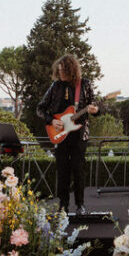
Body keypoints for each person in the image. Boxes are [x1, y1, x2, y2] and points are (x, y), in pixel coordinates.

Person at [36, 53, 98, 215]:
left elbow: (96, 108)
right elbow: (40, 109)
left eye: (63, 70)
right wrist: (51, 121)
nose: (60, 73)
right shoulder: (55, 86)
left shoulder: (84, 85)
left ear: (71, 70)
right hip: (59, 133)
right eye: (59, 70)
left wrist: (96, 110)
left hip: (79, 134)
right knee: (62, 171)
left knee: (78, 169)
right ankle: (62, 205)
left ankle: (80, 205)